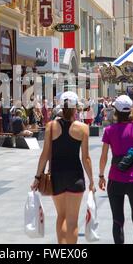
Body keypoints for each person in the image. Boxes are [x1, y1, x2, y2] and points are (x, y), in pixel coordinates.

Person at [31, 91, 95, 244]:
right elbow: (85, 158)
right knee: (72, 220)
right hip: (76, 176)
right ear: (75, 109)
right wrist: (92, 180)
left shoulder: (51, 126)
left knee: (61, 216)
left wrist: (37, 177)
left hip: (57, 177)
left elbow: (45, 155)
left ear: (61, 107)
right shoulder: (83, 128)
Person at [99, 95, 133, 244]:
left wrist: (101, 176)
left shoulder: (109, 130)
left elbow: (103, 156)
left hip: (115, 179)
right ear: (130, 110)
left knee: (117, 220)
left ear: (116, 111)